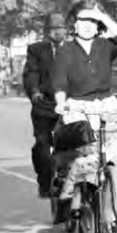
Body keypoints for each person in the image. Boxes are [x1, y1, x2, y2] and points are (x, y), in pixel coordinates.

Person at [50, 3, 117, 222]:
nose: (88, 25)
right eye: (83, 20)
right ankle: (78, 191)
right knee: (85, 152)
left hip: (106, 104)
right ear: (74, 25)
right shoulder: (65, 50)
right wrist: (61, 103)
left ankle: (111, 205)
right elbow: (60, 83)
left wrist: (101, 15)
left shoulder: (104, 45)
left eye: (92, 21)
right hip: (78, 106)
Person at [22, 14, 70, 198]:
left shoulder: (75, 49)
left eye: (61, 27)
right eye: (53, 28)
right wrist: (34, 91)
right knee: (42, 145)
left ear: (66, 29)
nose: (58, 31)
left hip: (71, 105)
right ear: (47, 31)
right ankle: (44, 181)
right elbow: (31, 73)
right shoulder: (36, 50)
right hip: (45, 106)